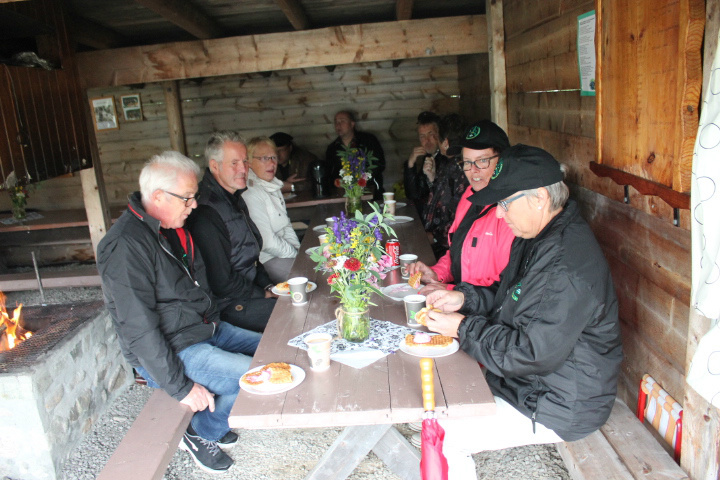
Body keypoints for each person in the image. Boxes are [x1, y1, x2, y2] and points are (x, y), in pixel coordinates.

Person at [423, 144, 623, 480]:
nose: (499, 215)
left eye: (504, 203)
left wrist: (462, 328)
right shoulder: (537, 236)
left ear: (540, 198)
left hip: (560, 403)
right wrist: (463, 299)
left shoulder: (564, 264)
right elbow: (510, 298)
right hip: (531, 383)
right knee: (443, 390)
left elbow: (528, 354)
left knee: (446, 435)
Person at [97, 151, 261, 474]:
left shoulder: (169, 225)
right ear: (158, 196)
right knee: (253, 380)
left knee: (272, 351)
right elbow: (138, 330)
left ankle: (215, 413)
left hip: (205, 328)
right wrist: (181, 388)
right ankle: (201, 430)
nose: (194, 205)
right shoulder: (125, 246)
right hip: (174, 348)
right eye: (187, 197)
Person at [407, 120, 514, 292]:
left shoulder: (512, 211)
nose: (473, 170)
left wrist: (452, 292)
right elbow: (457, 253)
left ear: (503, 160)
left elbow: (505, 288)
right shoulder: (469, 196)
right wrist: (436, 274)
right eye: (467, 162)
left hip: (479, 306)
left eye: (482, 161)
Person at [186, 131, 277, 333]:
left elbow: (251, 258)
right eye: (234, 163)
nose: (243, 169)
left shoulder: (233, 199)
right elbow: (221, 282)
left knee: (298, 299)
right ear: (214, 166)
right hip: (228, 305)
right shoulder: (206, 212)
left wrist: (269, 286)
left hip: (247, 292)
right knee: (291, 313)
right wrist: (263, 294)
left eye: (244, 161)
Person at [242, 136, 301, 283]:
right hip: (266, 260)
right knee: (308, 274)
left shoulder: (273, 185)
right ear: (249, 162)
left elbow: (286, 225)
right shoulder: (250, 192)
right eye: (264, 158)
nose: (272, 163)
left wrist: (298, 251)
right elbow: (267, 241)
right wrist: (295, 254)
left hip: (285, 253)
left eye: (274, 157)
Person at [421, 113, 471, 258]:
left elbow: (457, 214)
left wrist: (435, 237)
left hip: (446, 249)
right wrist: (432, 178)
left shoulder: (458, 169)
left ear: (445, 143)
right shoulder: (451, 164)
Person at [325, 110, 386, 200]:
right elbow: (330, 174)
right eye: (336, 122)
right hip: (344, 196)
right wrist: (338, 182)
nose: (338, 125)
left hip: (371, 191)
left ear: (352, 124)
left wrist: (363, 179)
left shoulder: (368, 140)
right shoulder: (333, 148)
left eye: (342, 121)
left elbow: (379, 164)